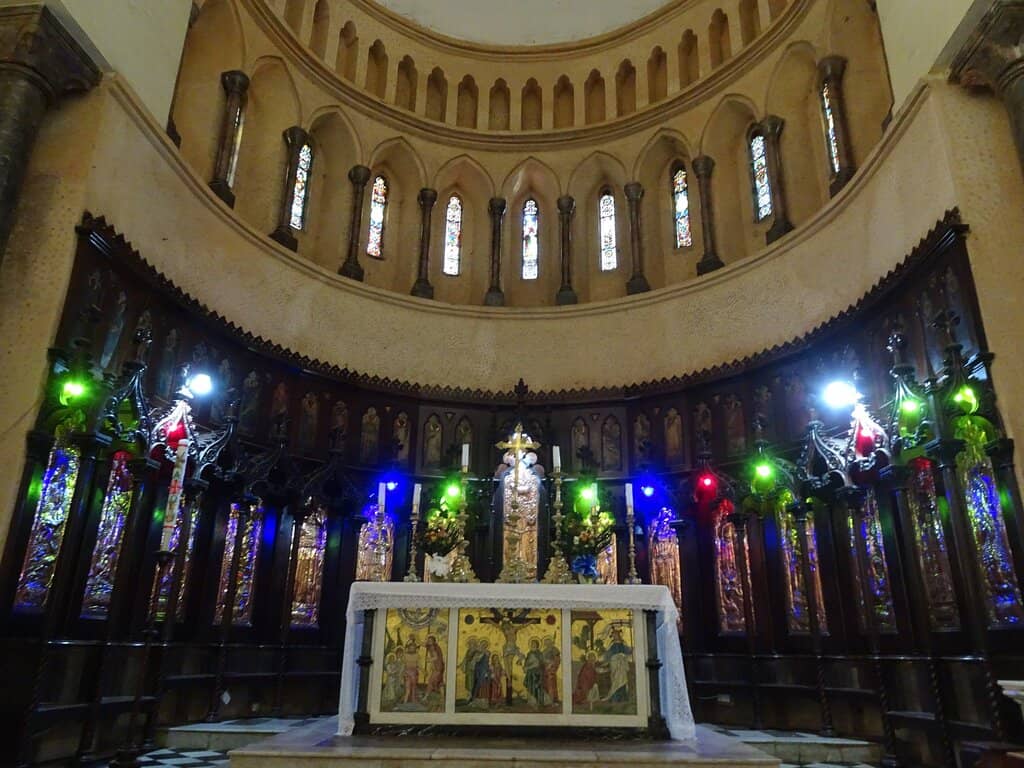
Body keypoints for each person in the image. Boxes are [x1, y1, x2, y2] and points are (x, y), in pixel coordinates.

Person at [603, 627, 633, 704]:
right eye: (613, 635)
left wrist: (623, 655)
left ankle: (622, 698)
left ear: (619, 635)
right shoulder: (612, 645)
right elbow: (608, 654)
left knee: (622, 680)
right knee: (615, 680)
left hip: (621, 665)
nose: (615, 636)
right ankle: (615, 697)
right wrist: (607, 660)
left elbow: (629, 651)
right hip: (615, 664)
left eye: (616, 635)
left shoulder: (623, 644)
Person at [523, 638, 545, 706]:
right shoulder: (529, 653)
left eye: (534, 644)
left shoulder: (539, 653)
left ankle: (537, 701)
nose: (533, 645)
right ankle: (530, 701)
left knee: (536, 686)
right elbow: (526, 662)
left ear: (537, 645)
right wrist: (525, 667)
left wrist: (529, 667)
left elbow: (540, 663)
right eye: (532, 644)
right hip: (530, 673)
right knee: (530, 686)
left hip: (536, 673)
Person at [542, 636, 561, 705]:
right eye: (546, 643)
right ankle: (547, 701)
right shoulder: (544, 651)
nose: (547, 644)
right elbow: (541, 660)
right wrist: (544, 665)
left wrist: (551, 665)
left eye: (548, 642)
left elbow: (557, 660)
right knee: (545, 685)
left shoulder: (555, 650)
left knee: (552, 686)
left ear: (551, 642)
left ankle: (553, 700)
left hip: (551, 671)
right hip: (545, 671)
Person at [402, 638, 420, 704]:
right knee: (407, 688)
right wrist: (409, 639)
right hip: (407, 673)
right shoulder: (405, 655)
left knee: (414, 687)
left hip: (414, 673)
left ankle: (413, 701)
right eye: (410, 648)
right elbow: (403, 664)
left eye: (413, 648)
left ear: (415, 648)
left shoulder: (417, 655)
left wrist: (423, 671)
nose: (412, 649)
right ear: (408, 648)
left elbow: (418, 665)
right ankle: (405, 702)